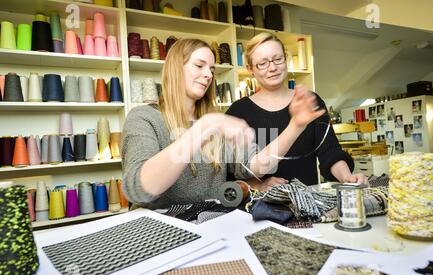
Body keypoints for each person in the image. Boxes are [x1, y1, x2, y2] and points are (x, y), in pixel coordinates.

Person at [121, 38, 325, 209]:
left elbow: (258, 166)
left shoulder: (217, 125)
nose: (209, 75)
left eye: (211, 69)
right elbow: (140, 189)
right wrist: (206, 126)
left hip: (211, 227)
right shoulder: (144, 118)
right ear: (175, 68)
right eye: (199, 65)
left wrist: (296, 125)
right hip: (160, 235)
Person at [226, 33, 366, 191]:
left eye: (278, 59)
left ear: (286, 59)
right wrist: (259, 185)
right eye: (262, 63)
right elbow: (231, 175)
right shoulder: (238, 112)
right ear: (250, 69)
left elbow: (330, 152)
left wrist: (347, 177)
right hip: (259, 209)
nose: (272, 68)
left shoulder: (310, 101)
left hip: (308, 205)